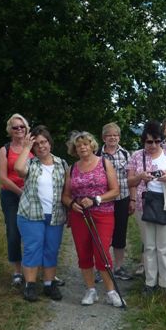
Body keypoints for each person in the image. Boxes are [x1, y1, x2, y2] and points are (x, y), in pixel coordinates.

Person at [62, 131, 123, 307]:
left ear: (92, 145)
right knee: (83, 251)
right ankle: (90, 290)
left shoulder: (104, 163)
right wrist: (71, 204)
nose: (82, 147)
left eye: (85, 144)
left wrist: (96, 199)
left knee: (101, 251)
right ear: (74, 149)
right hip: (79, 215)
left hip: (103, 213)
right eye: (78, 145)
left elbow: (115, 190)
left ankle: (111, 291)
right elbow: (65, 195)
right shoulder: (72, 169)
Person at [128, 120, 166, 295]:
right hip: (145, 204)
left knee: (165, 246)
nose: (153, 145)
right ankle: (150, 283)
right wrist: (140, 177)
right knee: (149, 246)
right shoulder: (137, 156)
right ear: (143, 141)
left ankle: (165, 284)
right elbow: (129, 181)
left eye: (157, 141)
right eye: (149, 142)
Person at [14, 126, 68, 302]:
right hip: (31, 214)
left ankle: (48, 284)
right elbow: (18, 169)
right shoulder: (30, 163)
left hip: (55, 215)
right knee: (33, 248)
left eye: (43, 142)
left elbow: (67, 191)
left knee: (51, 249)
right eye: (36, 144)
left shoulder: (62, 164)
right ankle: (30, 285)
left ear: (50, 143)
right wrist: (26, 148)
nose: (41, 146)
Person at [97, 122, 135, 281]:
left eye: (115, 135)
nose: (112, 138)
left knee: (120, 233)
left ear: (119, 137)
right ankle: (101, 268)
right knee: (102, 235)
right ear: (103, 138)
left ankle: (118, 267)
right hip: (103, 200)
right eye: (109, 135)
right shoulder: (97, 155)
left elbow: (131, 179)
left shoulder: (126, 154)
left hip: (122, 199)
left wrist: (132, 199)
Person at [0, 113, 31, 287]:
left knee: (34, 232)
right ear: (10, 130)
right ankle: (17, 271)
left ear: (26, 128)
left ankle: (37, 269)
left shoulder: (33, 147)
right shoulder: (5, 149)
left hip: (32, 194)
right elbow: (3, 178)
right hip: (11, 194)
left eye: (22, 126)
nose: (19, 129)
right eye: (15, 127)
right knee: (13, 232)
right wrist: (19, 192)